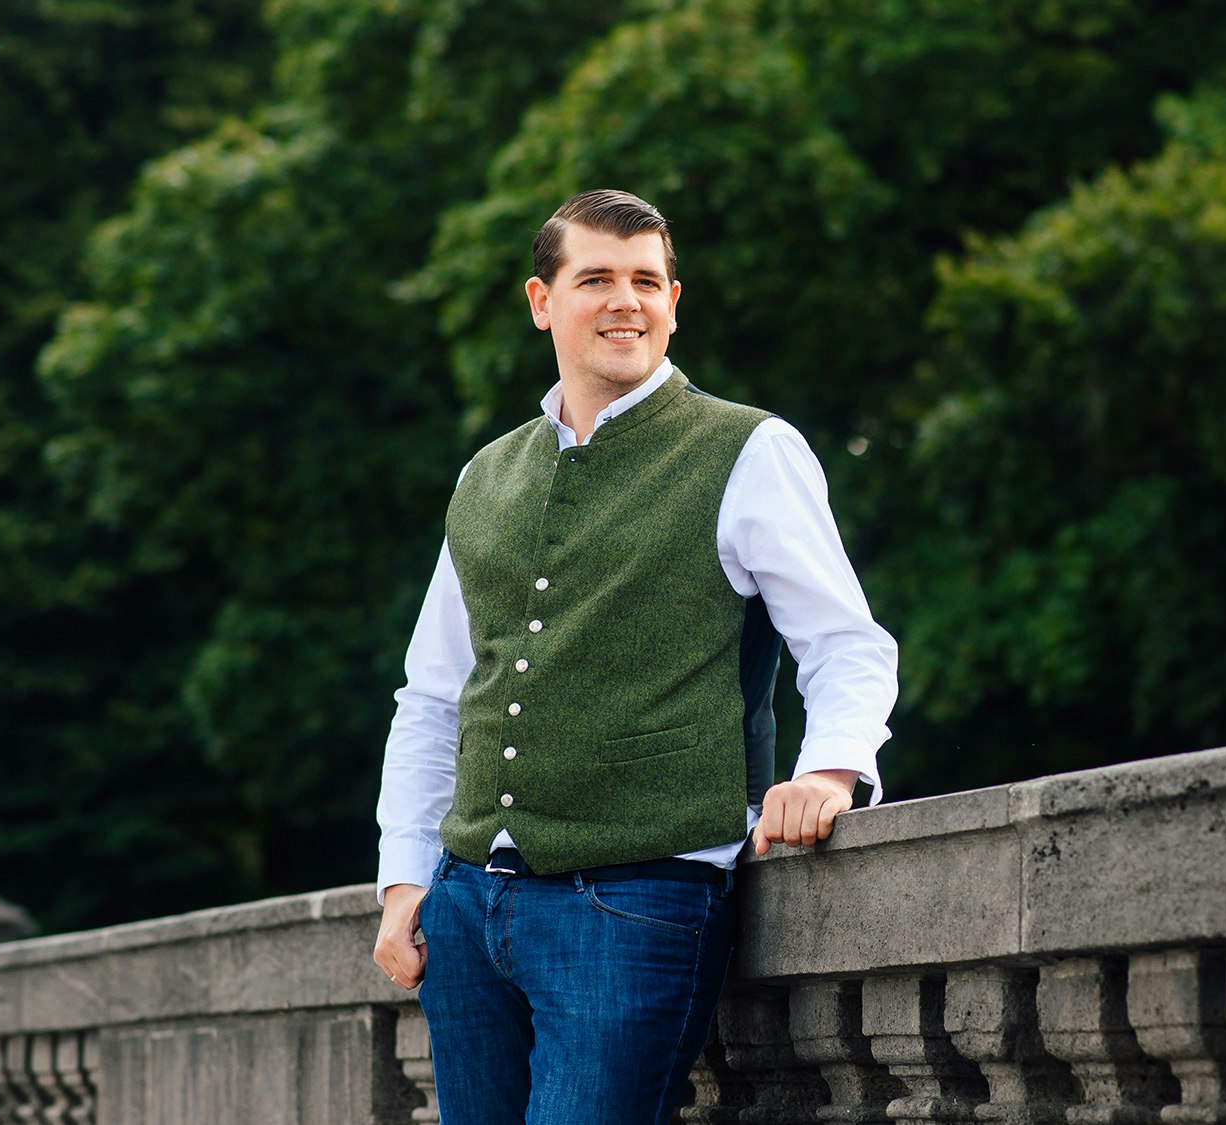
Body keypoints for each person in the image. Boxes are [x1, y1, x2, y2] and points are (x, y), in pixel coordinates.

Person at [370, 188, 897, 1123]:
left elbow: (845, 641)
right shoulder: (484, 474)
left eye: (647, 281)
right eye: (597, 279)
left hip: (637, 898)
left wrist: (832, 767)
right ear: (542, 301)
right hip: (465, 907)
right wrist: (407, 873)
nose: (627, 301)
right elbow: (435, 694)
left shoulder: (748, 448)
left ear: (674, 301)